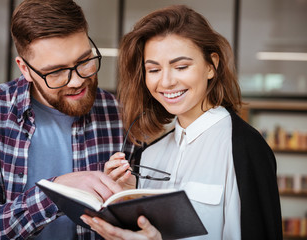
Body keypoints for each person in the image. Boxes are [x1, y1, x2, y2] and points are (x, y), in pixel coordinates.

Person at [0, 0, 146, 239]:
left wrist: (128, 201)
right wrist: (54, 193)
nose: (76, 81)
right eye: (56, 72)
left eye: (84, 61)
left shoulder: (121, 116)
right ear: (25, 69)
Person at [81, 5, 283, 240]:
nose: (165, 82)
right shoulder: (150, 155)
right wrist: (126, 199)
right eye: (153, 69)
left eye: (181, 67)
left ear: (211, 65)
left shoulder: (244, 147)